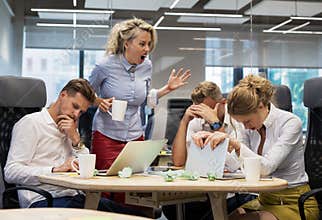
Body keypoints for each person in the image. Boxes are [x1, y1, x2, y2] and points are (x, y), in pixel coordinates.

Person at [4, 79, 144, 216]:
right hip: (43, 200)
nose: (76, 115)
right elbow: (10, 172)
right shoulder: (31, 124)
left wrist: (76, 140)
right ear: (63, 95)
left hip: (75, 196)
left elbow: (86, 167)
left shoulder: (71, 127)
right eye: (75, 106)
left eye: (81, 112)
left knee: (137, 215)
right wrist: (54, 170)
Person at [193, 75, 319, 220]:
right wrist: (213, 143)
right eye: (242, 123)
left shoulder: (290, 123)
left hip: (294, 202)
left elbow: (266, 168)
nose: (246, 127)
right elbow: (236, 165)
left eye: (247, 121)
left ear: (261, 105)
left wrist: (236, 144)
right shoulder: (246, 126)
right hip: (265, 200)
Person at [89, 18, 191, 170]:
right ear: (127, 43)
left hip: (135, 135)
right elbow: (85, 94)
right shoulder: (105, 66)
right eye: (142, 44)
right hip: (106, 135)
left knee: (134, 186)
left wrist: (167, 89)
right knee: (107, 186)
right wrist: (99, 101)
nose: (147, 49)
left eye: (149, 44)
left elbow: (145, 99)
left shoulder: (146, 66)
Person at [162, 81, 256, 220]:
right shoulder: (197, 122)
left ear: (223, 103)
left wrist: (215, 123)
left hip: (234, 192)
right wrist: (185, 121)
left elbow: (236, 162)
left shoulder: (240, 122)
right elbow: (178, 161)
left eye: (207, 109)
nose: (203, 117)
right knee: (171, 208)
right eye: (199, 111)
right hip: (203, 190)